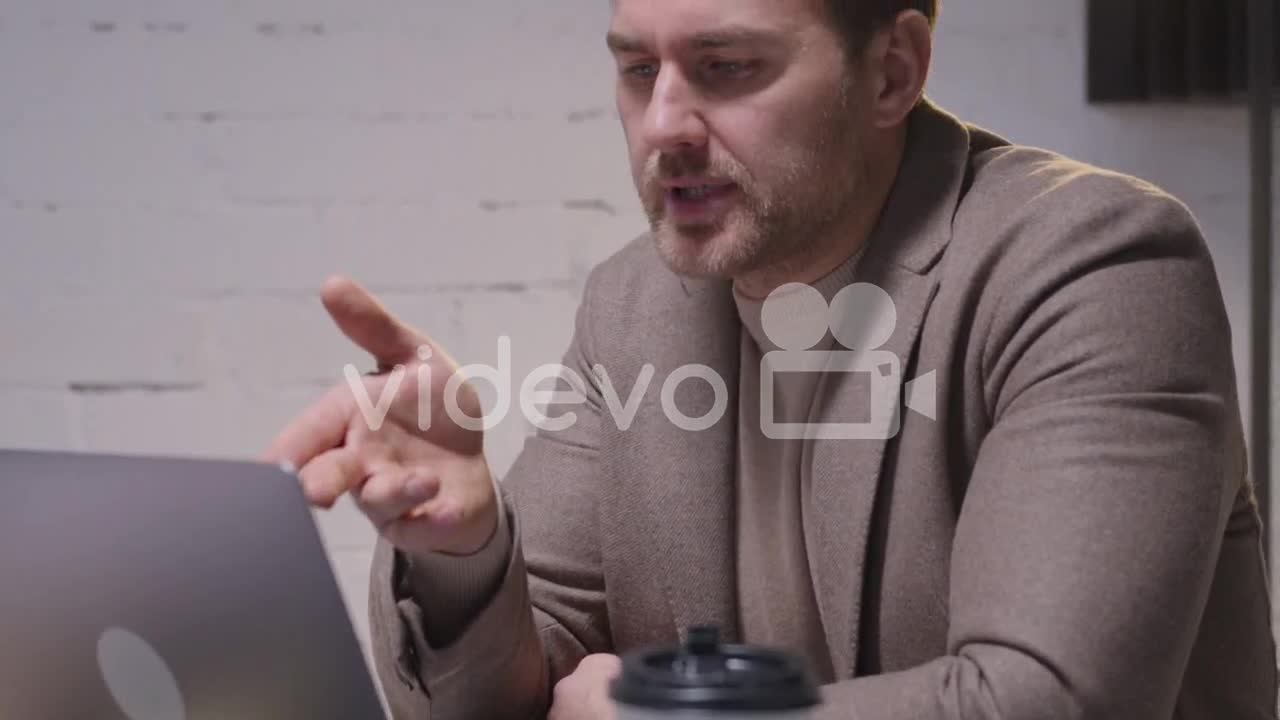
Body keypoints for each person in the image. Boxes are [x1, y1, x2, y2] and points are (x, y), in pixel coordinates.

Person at [265, 0, 1278, 718]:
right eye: (634, 69)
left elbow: (1053, 702)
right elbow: (499, 700)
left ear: (890, 72)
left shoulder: (1095, 262)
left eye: (726, 67)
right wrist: (459, 550)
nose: (662, 123)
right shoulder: (633, 306)